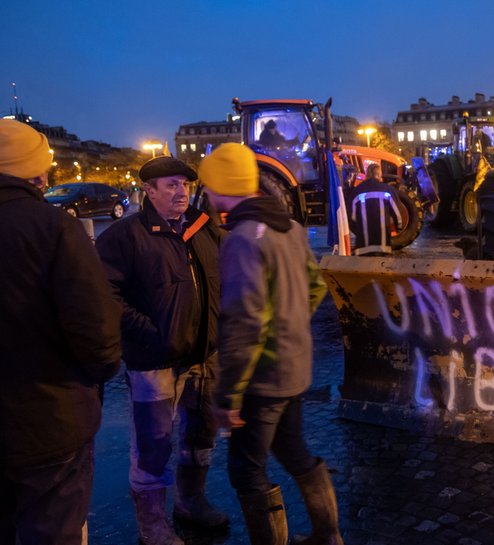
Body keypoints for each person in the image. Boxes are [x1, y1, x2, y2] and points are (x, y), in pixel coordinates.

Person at [198, 143, 344, 545]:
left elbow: (244, 323)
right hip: (294, 367)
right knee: (295, 452)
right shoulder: (291, 228)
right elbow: (315, 287)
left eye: (208, 185)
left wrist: (228, 396)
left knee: (246, 470)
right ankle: (329, 536)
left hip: (261, 378)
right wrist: (290, 325)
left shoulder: (242, 238)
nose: (205, 193)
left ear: (223, 185)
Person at [0, 120, 122, 545]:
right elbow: (97, 334)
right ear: (34, 170)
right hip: (48, 421)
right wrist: (93, 376)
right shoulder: (53, 228)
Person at [96, 155, 228, 545]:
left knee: (201, 433)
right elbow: (105, 293)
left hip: (204, 355)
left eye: (184, 184)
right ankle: (152, 523)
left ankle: (190, 500)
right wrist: (149, 333)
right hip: (154, 361)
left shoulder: (203, 227)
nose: (181, 192)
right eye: (171, 185)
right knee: (153, 443)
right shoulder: (125, 235)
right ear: (149, 191)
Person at [348, 162, 403, 256]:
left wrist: (358, 231)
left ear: (367, 175)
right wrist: (399, 228)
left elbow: (351, 217)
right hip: (383, 247)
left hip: (363, 247)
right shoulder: (388, 190)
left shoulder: (356, 191)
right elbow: (398, 215)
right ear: (379, 174)